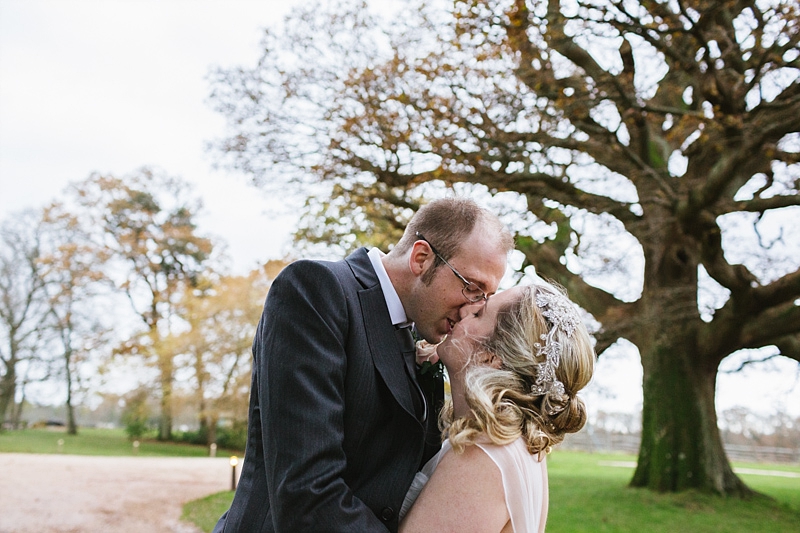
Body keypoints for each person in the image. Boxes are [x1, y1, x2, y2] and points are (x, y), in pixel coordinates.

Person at [213, 197, 515, 532]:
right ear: (421, 258)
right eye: (472, 288)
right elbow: (308, 491)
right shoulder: (317, 290)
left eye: (486, 297)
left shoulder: (424, 331)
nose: (473, 308)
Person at [399, 282, 595, 533]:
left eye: (480, 313)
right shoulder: (521, 445)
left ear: (491, 357)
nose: (465, 310)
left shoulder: (483, 453)